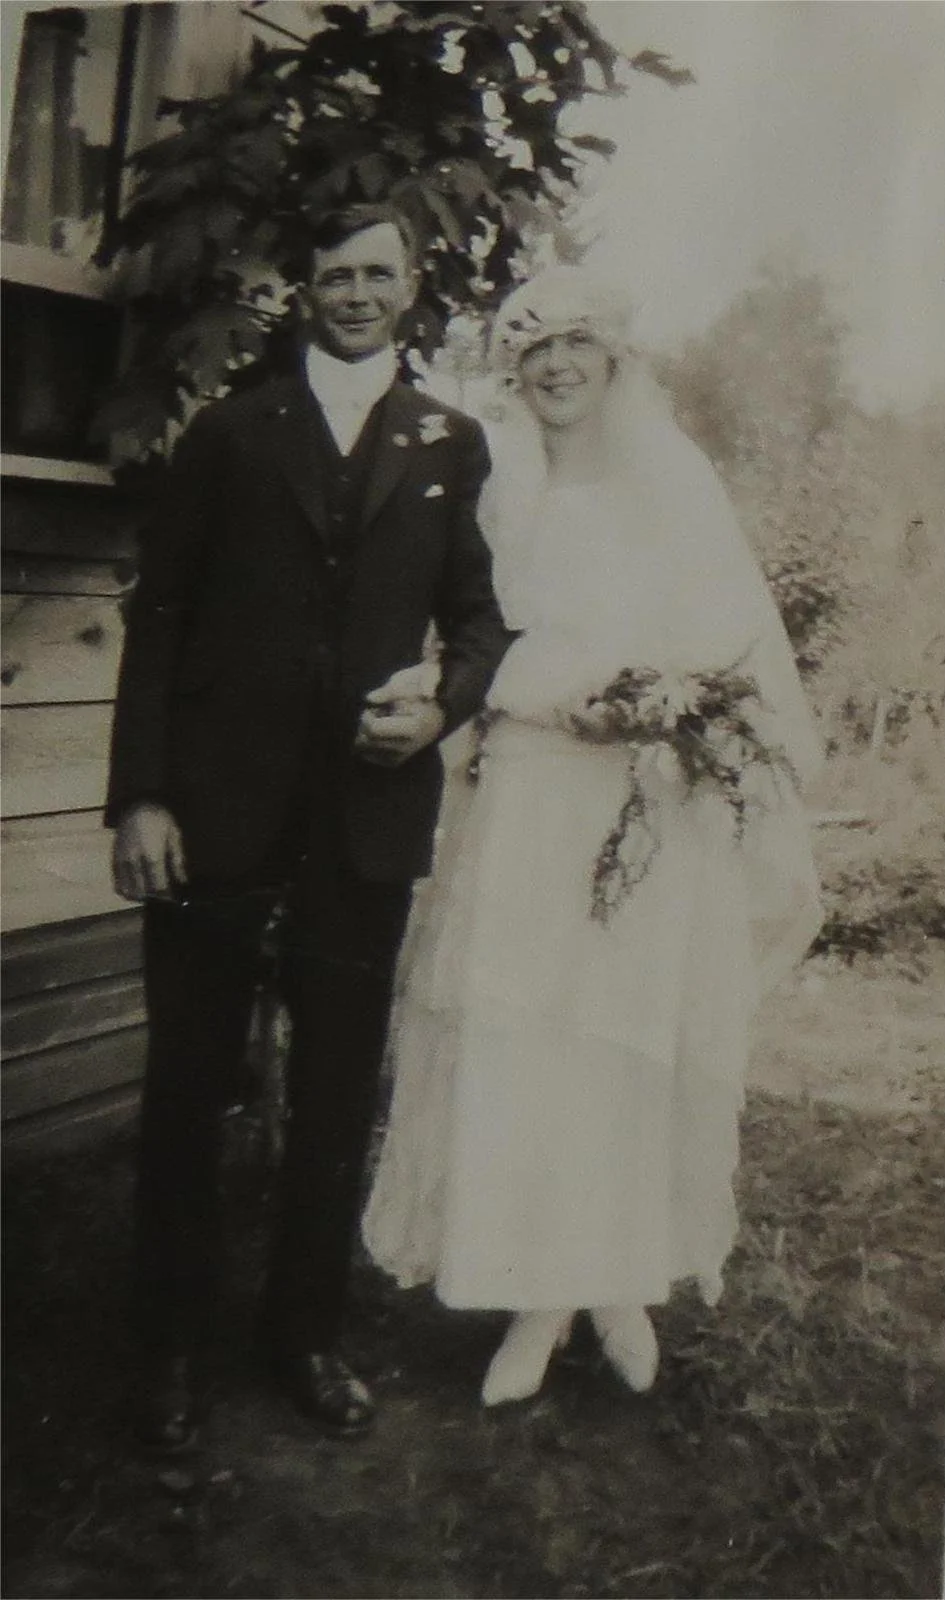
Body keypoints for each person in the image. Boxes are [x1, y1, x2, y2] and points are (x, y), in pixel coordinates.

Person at [363, 266, 824, 1406]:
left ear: (615, 358)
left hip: (635, 801)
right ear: (512, 367)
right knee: (520, 1032)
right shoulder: (495, 479)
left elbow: (719, 637)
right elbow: (474, 628)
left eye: (577, 344)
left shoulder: (670, 476)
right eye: (536, 349)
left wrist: (653, 703)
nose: (557, 366)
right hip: (527, 782)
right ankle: (533, 1293)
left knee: (615, 1039)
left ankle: (607, 1279)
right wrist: (536, 695)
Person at [106, 202, 512, 1450]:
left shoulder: (451, 441)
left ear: (409, 285)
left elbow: (483, 620)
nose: (354, 293)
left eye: (377, 273)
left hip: (363, 823)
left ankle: (304, 1336)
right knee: (185, 1085)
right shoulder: (232, 433)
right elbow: (160, 613)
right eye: (333, 273)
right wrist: (143, 796)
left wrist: (439, 707)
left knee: (337, 1093)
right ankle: (168, 1350)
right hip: (218, 815)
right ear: (306, 289)